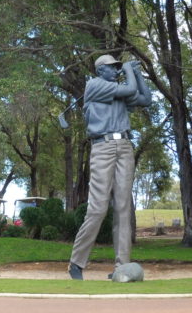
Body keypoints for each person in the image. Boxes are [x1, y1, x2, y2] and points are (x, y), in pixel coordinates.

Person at [68, 54, 152, 280]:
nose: (116, 70)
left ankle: (121, 267)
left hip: (124, 146)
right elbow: (127, 90)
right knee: (97, 208)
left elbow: (145, 99)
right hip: (102, 147)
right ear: (100, 70)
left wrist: (137, 74)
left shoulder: (119, 89)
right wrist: (127, 69)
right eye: (112, 67)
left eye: (117, 67)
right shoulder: (94, 86)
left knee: (123, 208)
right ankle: (76, 262)